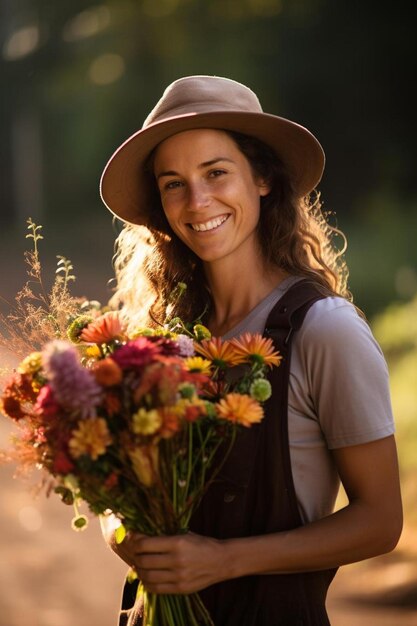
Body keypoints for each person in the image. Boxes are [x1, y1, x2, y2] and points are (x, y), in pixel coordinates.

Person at [99, 75, 402, 625]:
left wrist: (222, 561)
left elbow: (381, 522)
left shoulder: (325, 331)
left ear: (262, 177)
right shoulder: (160, 333)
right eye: (173, 183)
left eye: (216, 173)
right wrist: (130, 532)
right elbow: (115, 494)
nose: (197, 201)